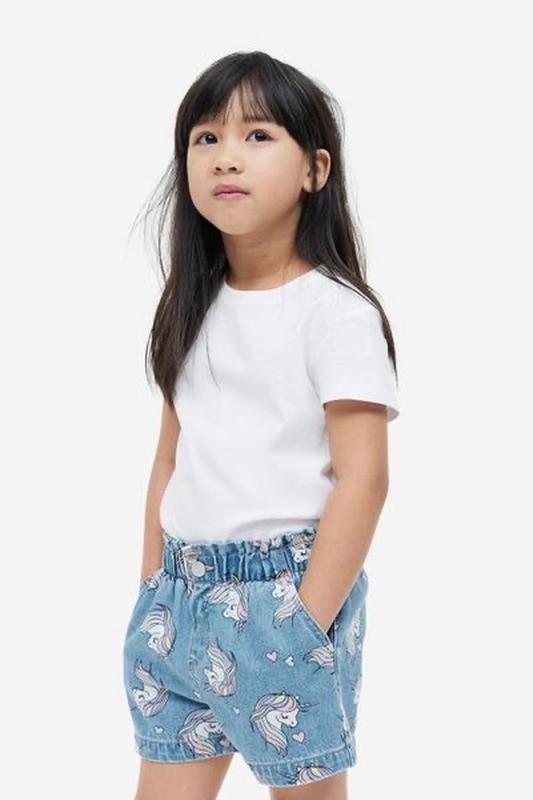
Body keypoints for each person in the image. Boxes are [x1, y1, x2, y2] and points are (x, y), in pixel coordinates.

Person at [122, 50, 400, 800]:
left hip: (281, 598)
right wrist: (151, 589)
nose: (225, 156)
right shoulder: (190, 305)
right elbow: (169, 458)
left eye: (257, 135)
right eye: (205, 138)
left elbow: (364, 478)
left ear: (314, 169)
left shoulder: (335, 312)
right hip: (177, 601)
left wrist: (304, 623)